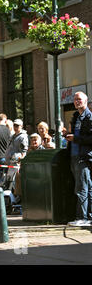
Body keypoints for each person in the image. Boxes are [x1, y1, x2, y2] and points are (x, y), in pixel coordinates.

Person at [66, 91, 92, 227]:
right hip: (74, 156)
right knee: (86, 187)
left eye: (79, 99)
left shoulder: (89, 117)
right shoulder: (76, 116)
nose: (77, 101)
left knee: (82, 187)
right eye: (75, 99)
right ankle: (88, 216)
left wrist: (76, 138)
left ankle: (83, 217)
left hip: (83, 157)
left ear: (86, 101)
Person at [5, 119, 28, 202]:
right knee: (10, 181)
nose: (15, 127)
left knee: (16, 182)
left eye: (17, 126)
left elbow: (24, 151)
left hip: (17, 163)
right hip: (11, 162)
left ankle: (18, 199)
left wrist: (21, 161)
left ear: (21, 126)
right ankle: (12, 199)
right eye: (14, 125)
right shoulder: (13, 136)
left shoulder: (23, 136)